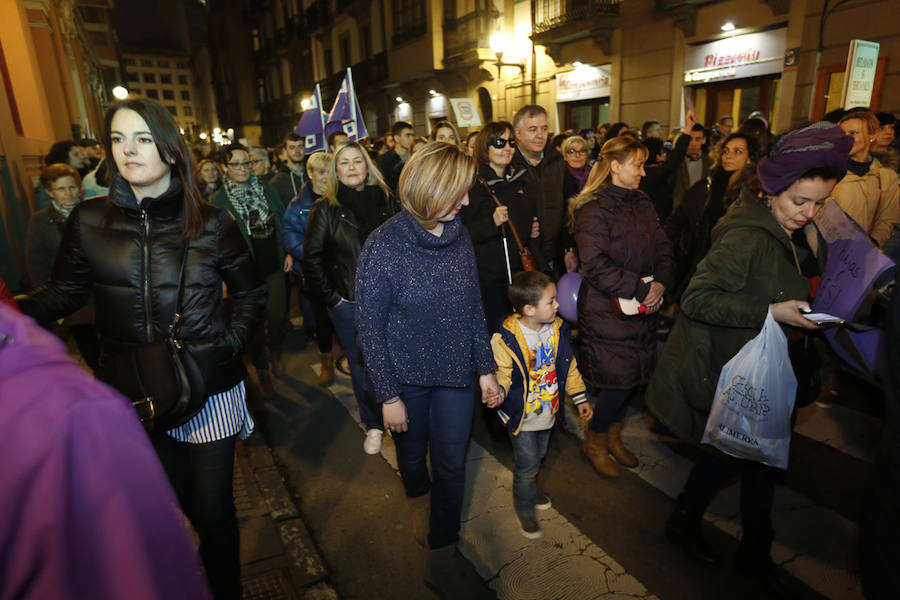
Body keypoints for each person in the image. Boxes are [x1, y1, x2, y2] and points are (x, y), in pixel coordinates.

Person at [17, 96, 266, 600]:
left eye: (143, 138)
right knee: (174, 501)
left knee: (216, 510)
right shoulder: (89, 220)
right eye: (118, 139)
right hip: (133, 388)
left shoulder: (212, 222)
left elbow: (250, 291)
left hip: (208, 385)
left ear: (170, 150)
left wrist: (229, 344)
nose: (128, 150)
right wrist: (10, 311)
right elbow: (65, 293)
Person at [645, 122, 851, 599]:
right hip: (742, 373)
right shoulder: (746, 235)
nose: (810, 212)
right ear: (771, 188)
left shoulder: (789, 227)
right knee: (751, 464)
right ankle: (745, 552)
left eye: (819, 202)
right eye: (801, 201)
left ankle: (706, 531)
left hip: (766, 368)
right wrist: (770, 312)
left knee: (741, 461)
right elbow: (697, 299)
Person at [355, 141, 500, 597]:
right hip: (406, 380)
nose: (466, 203)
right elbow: (369, 331)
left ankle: (441, 553)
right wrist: (389, 396)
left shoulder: (458, 237)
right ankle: (418, 498)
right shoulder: (383, 246)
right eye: (457, 193)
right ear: (430, 191)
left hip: (456, 374)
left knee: (453, 464)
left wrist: (485, 368)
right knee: (414, 456)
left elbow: (474, 308)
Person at [0, 302, 213, 600]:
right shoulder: (71, 410)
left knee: (211, 508)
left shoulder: (65, 411)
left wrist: (227, 343)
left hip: (195, 382)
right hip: (137, 380)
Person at [571, 134, 675, 478]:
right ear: (614, 167)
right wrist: (637, 288)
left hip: (642, 306)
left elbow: (662, 245)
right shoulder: (592, 209)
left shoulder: (642, 201)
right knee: (616, 382)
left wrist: (661, 281)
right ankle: (596, 440)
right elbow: (596, 264)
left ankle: (613, 437)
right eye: (638, 165)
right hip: (607, 310)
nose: (643, 173)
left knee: (631, 380)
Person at [303, 141, 395, 454]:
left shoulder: (386, 197)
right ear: (336, 171)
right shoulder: (325, 208)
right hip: (350, 301)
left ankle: (395, 415)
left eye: (358, 161)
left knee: (394, 359)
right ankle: (373, 424)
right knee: (362, 364)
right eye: (345, 163)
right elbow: (312, 259)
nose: (352, 167)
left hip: (390, 298)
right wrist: (334, 300)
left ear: (367, 165)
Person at [489, 271, 592, 539]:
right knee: (527, 463)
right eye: (551, 301)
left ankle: (531, 490)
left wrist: (579, 397)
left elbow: (568, 368)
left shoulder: (557, 331)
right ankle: (524, 507)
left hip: (549, 412)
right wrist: (497, 392)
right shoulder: (506, 338)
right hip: (521, 416)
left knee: (540, 455)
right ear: (529, 309)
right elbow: (501, 372)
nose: (558, 306)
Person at [210, 144, 288, 395]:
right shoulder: (218, 201)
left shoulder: (266, 189)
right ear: (225, 167)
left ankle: (275, 351)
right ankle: (262, 367)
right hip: (243, 274)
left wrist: (287, 251)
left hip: (273, 264)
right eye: (237, 164)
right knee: (253, 325)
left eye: (247, 163)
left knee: (277, 315)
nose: (243, 168)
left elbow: (282, 220)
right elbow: (214, 242)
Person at [462, 121, 542, 331]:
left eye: (511, 142)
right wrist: (492, 223)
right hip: (491, 278)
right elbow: (464, 233)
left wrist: (531, 229)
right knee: (499, 332)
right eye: (499, 143)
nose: (507, 148)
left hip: (520, 273)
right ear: (485, 147)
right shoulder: (473, 184)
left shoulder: (520, 179)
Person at [665, 132, 762, 301]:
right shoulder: (706, 186)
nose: (728, 156)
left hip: (736, 272)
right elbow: (676, 221)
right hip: (701, 265)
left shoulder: (756, 193)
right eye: (726, 151)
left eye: (737, 151)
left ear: (750, 159)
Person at [25, 163, 99, 369]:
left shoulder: (92, 212)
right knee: (90, 350)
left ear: (79, 188)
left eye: (72, 187)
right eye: (61, 189)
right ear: (50, 191)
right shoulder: (40, 221)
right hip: (72, 299)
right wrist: (52, 307)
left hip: (102, 293)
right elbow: (37, 264)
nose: (68, 193)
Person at [282, 151, 336, 386]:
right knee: (322, 320)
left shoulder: (339, 197)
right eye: (321, 172)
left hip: (341, 269)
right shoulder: (298, 205)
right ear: (311, 173)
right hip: (314, 272)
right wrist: (313, 254)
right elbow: (289, 235)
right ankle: (327, 362)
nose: (326, 177)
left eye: (329, 171)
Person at [512, 105, 576, 275]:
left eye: (544, 129)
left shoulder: (558, 164)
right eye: (532, 129)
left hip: (556, 256)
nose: (540, 135)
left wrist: (569, 248)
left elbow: (568, 210)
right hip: (522, 260)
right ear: (517, 134)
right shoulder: (508, 166)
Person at [832, 110, 899, 248]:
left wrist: (873, 243)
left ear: (872, 135)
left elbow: (887, 219)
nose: (846, 139)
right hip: (826, 252)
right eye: (842, 134)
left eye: (853, 133)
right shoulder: (829, 171)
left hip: (859, 257)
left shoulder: (886, 177)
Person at [670, 122, 711, 211]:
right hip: (679, 208)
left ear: (704, 140)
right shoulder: (677, 161)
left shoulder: (709, 162)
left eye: (698, 139)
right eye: (690, 139)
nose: (693, 143)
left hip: (701, 209)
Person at [269, 132, 307, 207]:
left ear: (304, 148)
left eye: (300, 146)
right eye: (292, 147)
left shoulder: (313, 175)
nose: (297, 151)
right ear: (285, 151)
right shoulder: (277, 182)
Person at [376, 121, 415, 192]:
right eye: (408, 135)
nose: (411, 139)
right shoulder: (384, 161)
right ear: (397, 138)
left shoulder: (416, 157)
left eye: (413, 135)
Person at [561, 135, 591, 203]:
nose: (578, 155)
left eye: (582, 151)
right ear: (565, 156)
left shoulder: (596, 174)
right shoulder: (559, 177)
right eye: (572, 151)